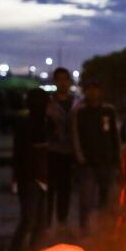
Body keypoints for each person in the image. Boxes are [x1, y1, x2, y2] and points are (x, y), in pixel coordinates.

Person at [72, 77, 121, 231]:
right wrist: (80, 157)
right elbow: (75, 135)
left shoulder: (109, 110)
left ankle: (105, 230)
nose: (92, 92)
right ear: (85, 91)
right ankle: (85, 231)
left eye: (95, 89)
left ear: (100, 91)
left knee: (107, 200)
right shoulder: (79, 111)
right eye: (89, 89)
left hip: (108, 162)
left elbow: (116, 135)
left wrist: (117, 157)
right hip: (88, 163)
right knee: (86, 200)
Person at [7, 89, 50, 251]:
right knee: (29, 218)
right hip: (29, 176)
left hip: (40, 176)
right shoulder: (25, 123)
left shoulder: (43, 122)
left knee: (39, 219)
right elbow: (21, 152)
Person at [45, 67, 76, 229]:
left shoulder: (76, 103)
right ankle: (47, 223)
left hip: (70, 153)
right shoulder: (48, 104)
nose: (63, 83)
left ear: (69, 82)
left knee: (65, 190)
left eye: (65, 79)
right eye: (59, 79)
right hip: (52, 152)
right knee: (50, 190)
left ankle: (62, 222)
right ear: (55, 82)